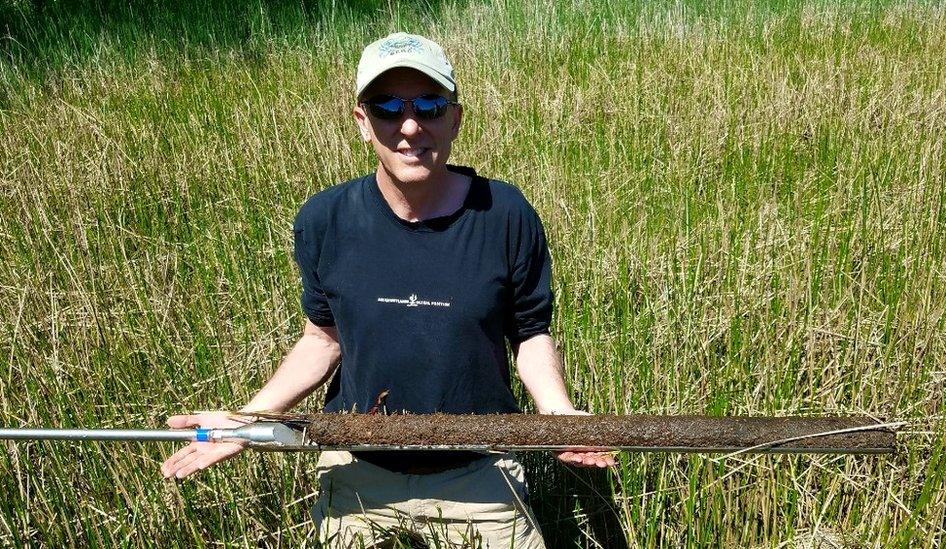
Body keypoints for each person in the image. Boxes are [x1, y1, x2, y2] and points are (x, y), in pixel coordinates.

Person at [161, 32, 615, 548]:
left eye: (429, 105)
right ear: (362, 122)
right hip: (357, 468)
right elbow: (322, 339)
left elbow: (531, 335)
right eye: (386, 107)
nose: (410, 126)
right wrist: (249, 420)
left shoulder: (505, 214)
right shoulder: (324, 219)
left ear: (456, 118)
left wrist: (558, 414)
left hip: (480, 466)